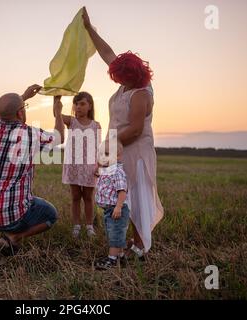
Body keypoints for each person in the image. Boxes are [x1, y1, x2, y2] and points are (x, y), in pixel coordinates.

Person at [82, 7, 164, 258]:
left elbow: (137, 129)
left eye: (118, 76)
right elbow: (107, 54)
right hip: (119, 147)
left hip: (135, 150)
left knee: (137, 196)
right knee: (122, 193)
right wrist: (89, 28)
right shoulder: (128, 82)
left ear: (130, 76)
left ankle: (140, 247)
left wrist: (107, 146)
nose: (115, 79)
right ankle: (130, 240)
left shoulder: (140, 93)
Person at [0, 84, 65, 255]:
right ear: (21, 113)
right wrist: (57, 111)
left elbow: (4, 111)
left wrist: (23, 98)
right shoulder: (29, 135)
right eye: (24, 108)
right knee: (51, 214)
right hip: (9, 216)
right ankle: (14, 237)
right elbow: (59, 137)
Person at [57, 92, 101, 238]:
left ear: (90, 106)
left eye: (82, 104)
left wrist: (99, 166)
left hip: (89, 166)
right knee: (75, 196)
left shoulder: (96, 125)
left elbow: (98, 147)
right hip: (74, 165)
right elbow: (56, 114)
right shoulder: (71, 121)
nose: (78, 107)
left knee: (88, 197)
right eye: (76, 104)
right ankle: (76, 225)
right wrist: (56, 100)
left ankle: (89, 226)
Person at [94, 139, 129, 269]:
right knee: (114, 233)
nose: (103, 157)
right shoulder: (108, 170)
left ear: (118, 156)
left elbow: (122, 192)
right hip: (109, 210)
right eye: (101, 154)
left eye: (107, 154)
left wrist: (119, 207)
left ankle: (112, 260)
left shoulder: (118, 172)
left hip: (117, 209)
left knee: (115, 234)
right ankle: (120, 256)